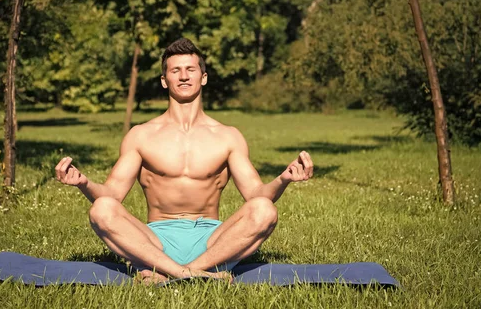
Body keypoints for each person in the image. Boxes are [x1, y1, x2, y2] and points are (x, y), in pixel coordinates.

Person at [55, 38, 313, 283]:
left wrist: (283, 179)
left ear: (203, 77)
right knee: (101, 208)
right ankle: (196, 273)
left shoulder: (228, 136)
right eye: (175, 70)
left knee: (265, 210)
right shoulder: (141, 135)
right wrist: (83, 183)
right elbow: (111, 194)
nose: (184, 75)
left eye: (190, 69)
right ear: (165, 80)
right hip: (155, 241)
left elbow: (257, 194)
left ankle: (174, 272)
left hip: (213, 241)